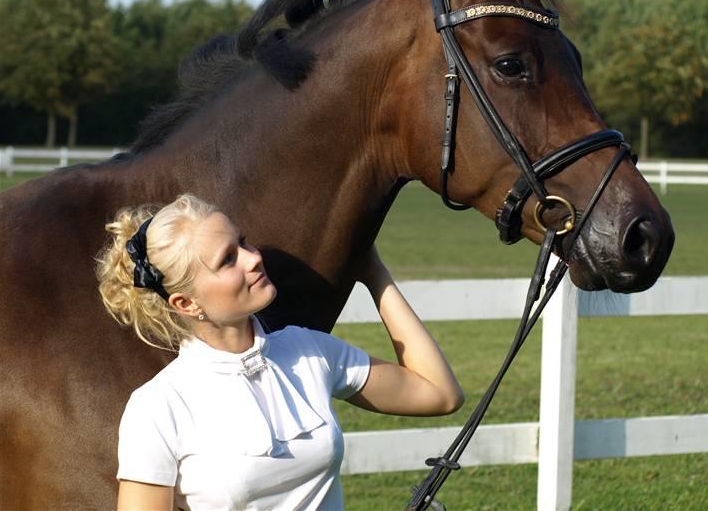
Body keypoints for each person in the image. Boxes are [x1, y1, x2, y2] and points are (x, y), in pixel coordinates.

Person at [96, 193, 464, 511]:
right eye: (228, 259)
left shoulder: (310, 351)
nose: (253, 258)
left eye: (243, 242)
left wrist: (374, 273)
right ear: (186, 303)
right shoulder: (158, 407)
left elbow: (439, 393)